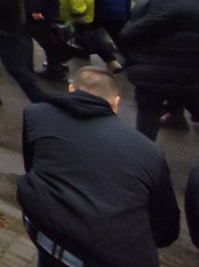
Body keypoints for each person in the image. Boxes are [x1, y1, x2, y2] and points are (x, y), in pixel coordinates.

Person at [16, 66, 180, 267]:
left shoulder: (37, 115)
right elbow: (166, 227)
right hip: (116, 255)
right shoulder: (149, 153)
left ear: (71, 89)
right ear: (116, 103)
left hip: (49, 234)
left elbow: (32, 166)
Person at [118, 0, 199, 140]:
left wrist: (130, 27)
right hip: (187, 69)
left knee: (147, 118)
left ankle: (145, 162)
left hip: (156, 68)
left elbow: (131, 31)